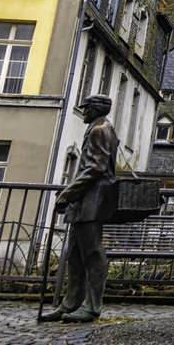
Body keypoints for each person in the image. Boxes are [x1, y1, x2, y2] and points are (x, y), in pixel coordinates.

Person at [40, 95, 119, 323]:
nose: (83, 111)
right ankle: (69, 304)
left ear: (96, 109)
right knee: (74, 254)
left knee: (92, 252)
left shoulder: (100, 129)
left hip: (93, 198)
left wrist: (68, 192)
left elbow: (96, 167)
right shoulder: (95, 127)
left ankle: (92, 306)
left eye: (86, 108)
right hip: (83, 198)